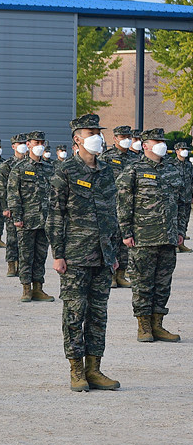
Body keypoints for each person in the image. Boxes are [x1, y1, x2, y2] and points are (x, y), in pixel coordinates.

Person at [47, 113, 121, 391]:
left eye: (98, 133)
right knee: (75, 314)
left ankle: (95, 369)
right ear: (77, 138)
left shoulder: (106, 171)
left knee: (98, 315)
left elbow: (111, 215)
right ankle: (76, 370)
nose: (97, 138)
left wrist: (113, 255)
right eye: (91, 133)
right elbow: (54, 215)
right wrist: (58, 254)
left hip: (102, 256)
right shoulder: (65, 171)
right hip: (75, 255)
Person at [117, 127, 186, 343]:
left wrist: (181, 230)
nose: (161, 145)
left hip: (168, 237)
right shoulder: (133, 170)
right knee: (142, 283)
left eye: (162, 141)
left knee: (163, 283)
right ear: (145, 145)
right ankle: (143, 325)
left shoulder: (173, 170)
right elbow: (123, 203)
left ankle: (158, 324)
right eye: (157, 141)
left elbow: (183, 203)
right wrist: (126, 231)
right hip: (143, 238)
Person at [7, 131, 55, 303]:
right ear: (28, 144)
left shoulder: (50, 168)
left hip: (45, 220)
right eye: (36, 142)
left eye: (42, 142)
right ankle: (26, 288)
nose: (40, 145)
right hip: (26, 220)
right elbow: (13, 195)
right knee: (26, 255)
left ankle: (38, 288)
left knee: (41, 256)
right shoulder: (19, 169)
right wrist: (17, 217)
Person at [102, 125, 135, 287]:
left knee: (126, 242)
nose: (126, 140)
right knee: (112, 240)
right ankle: (112, 275)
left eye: (128, 136)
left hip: (129, 206)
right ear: (115, 139)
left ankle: (121, 274)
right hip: (112, 205)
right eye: (123, 137)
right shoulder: (107, 158)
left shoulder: (135, 158)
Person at [0, 134, 27, 277]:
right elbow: (1, 188)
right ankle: (11, 264)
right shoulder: (7, 165)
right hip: (12, 207)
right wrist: (5, 207)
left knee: (25, 240)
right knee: (12, 238)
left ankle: (22, 265)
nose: (22, 145)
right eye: (19, 143)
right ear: (13, 146)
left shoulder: (31, 164)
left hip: (28, 208)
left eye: (24, 142)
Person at [172, 141, 192, 253]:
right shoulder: (172, 165)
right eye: (182, 149)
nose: (185, 151)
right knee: (175, 220)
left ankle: (182, 243)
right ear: (177, 151)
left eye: (186, 149)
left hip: (187, 197)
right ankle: (175, 244)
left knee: (185, 220)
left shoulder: (189, 165)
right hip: (176, 198)